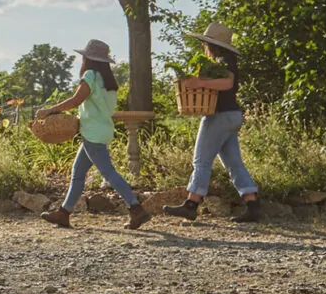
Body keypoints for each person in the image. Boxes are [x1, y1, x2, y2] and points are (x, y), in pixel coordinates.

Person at [38, 40, 153, 231]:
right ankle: (64, 213)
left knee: (109, 173)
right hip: (102, 130)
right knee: (78, 172)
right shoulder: (109, 81)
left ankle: (136, 208)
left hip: (92, 132)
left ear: (88, 59)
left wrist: (49, 111)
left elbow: (76, 100)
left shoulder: (90, 75)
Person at [163, 23, 262, 223]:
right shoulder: (228, 60)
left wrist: (199, 82)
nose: (203, 47)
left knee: (201, 161)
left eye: (205, 44)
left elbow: (227, 83)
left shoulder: (224, 60)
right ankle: (253, 205)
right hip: (233, 115)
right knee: (234, 164)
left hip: (219, 116)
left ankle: (191, 204)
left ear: (211, 45)